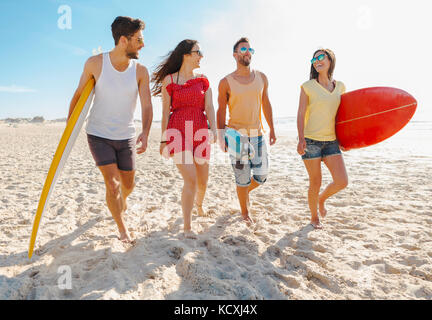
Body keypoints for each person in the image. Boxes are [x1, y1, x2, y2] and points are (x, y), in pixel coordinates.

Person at [67, 16, 153, 243]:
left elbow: (146, 104)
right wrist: (69, 130)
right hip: (98, 134)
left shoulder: (141, 71)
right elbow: (78, 95)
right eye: (139, 40)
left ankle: (118, 203)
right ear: (124, 40)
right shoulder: (95, 63)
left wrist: (145, 132)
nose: (143, 44)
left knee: (128, 184)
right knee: (113, 183)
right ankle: (122, 229)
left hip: (126, 135)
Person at [151, 39, 217, 239]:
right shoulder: (169, 81)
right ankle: (187, 227)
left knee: (202, 182)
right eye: (198, 52)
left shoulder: (203, 80)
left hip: (200, 131)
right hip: (177, 131)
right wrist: (164, 140)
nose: (201, 56)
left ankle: (199, 205)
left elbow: (210, 107)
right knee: (191, 179)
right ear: (186, 54)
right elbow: (164, 112)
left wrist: (213, 129)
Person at [217, 37, 276, 225]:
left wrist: (272, 128)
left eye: (250, 49)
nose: (247, 52)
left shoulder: (261, 78)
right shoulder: (226, 82)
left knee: (261, 176)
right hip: (237, 138)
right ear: (235, 54)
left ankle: (242, 193)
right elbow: (221, 109)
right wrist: (221, 135)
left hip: (258, 135)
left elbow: (266, 104)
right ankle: (244, 212)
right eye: (243, 49)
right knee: (242, 178)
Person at [296, 48, 349, 229]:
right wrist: (301, 138)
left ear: (330, 60)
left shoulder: (340, 86)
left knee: (342, 181)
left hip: (332, 141)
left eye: (321, 57)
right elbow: (301, 113)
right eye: (314, 59)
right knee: (315, 181)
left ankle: (321, 199)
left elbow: (345, 116)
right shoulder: (307, 86)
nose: (317, 61)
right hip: (311, 141)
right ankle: (314, 217)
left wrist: (348, 139)